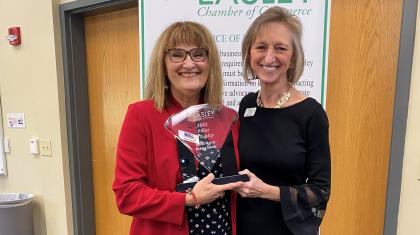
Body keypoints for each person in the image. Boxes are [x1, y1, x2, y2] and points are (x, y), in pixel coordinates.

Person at [113, 21, 243, 235]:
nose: (189, 63)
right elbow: (127, 194)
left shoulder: (227, 118)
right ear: (163, 63)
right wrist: (188, 199)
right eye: (177, 54)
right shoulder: (142, 115)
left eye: (198, 54)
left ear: (210, 63)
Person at [235, 6, 331, 235]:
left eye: (280, 48)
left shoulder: (311, 114)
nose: (269, 57)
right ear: (250, 53)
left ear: (293, 56)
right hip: (244, 226)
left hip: (287, 229)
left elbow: (320, 191)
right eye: (261, 47)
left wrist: (267, 191)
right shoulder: (246, 105)